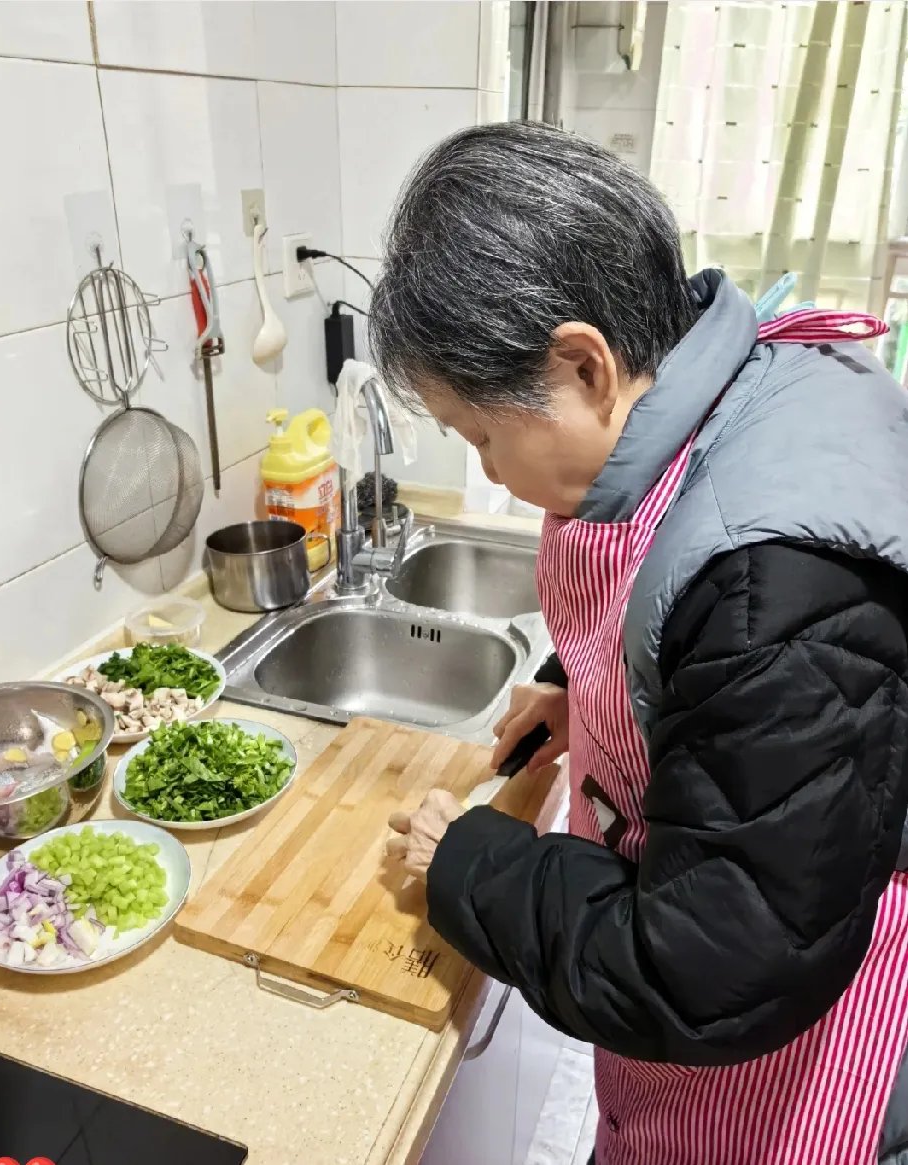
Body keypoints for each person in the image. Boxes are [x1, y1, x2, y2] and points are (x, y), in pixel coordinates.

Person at [377, 120, 908, 1165]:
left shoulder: (772, 583)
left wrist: (470, 867)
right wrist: (582, 690)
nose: (486, 472)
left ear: (583, 363)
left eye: (482, 434)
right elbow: (690, 655)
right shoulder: (716, 381)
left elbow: (711, 967)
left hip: (804, 1057)